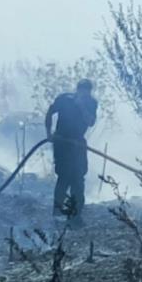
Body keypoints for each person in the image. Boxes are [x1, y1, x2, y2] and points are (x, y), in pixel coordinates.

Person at [45, 79, 98, 226]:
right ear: (78, 89)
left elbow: (90, 122)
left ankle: (75, 215)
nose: (84, 93)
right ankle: (57, 212)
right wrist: (49, 133)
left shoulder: (91, 103)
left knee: (78, 178)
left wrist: (81, 107)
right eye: (82, 90)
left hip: (78, 143)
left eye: (87, 91)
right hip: (62, 142)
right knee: (64, 176)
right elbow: (50, 112)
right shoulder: (64, 99)